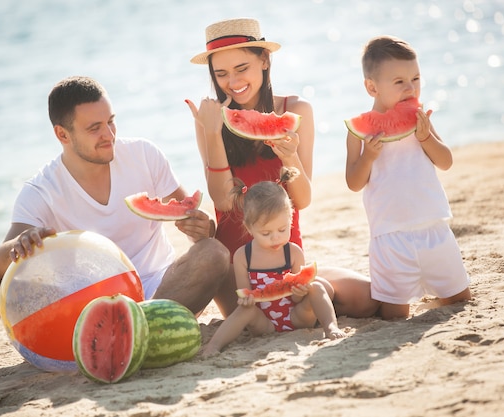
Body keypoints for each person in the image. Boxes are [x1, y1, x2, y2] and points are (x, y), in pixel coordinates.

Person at [0, 76, 230, 317]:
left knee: (214, 253)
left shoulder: (143, 154)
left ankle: (138, 325)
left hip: (162, 287)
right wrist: (20, 244)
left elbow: (192, 219)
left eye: (110, 122)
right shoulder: (42, 190)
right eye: (95, 128)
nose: (109, 135)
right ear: (62, 135)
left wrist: (203, 225)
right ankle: (137, 327)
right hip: (92, 301)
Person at [186, 17, 380, 318]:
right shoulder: (209, 120)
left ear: (264, 60)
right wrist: (212, 132)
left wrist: (290, 158)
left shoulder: (297, 111)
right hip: (237, 268)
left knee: (369, 299)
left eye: (242, 69)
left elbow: (302, 200)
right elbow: (223, 200)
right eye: (221, 74)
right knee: (272, 316)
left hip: (286, 255)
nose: (233, 82)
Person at [345, 36, 471, 320]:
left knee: (460, 299)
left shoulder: (418, 118)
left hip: (434, 228)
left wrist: (425, 137)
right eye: (399, 81)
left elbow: (445, 161)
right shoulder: (358, 131)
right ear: (371, 87)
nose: (411, 87)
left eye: (415, 78)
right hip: (389, 237)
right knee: (394, 314)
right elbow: (354, 183)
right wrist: (367, 157)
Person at [202, 168, 346, 356]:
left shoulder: (293, 252)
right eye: (266, 233)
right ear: (249, 228)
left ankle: (331, 328)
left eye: (282, 229)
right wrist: (246, 299)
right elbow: (246, 296)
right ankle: (214, 345)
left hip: (297, 318)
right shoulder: (242, 256)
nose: (275, 238)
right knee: (244, 312)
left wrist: (300, 292)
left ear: (291, 219)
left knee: (317, 287)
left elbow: (296, 298)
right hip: (264, 323)